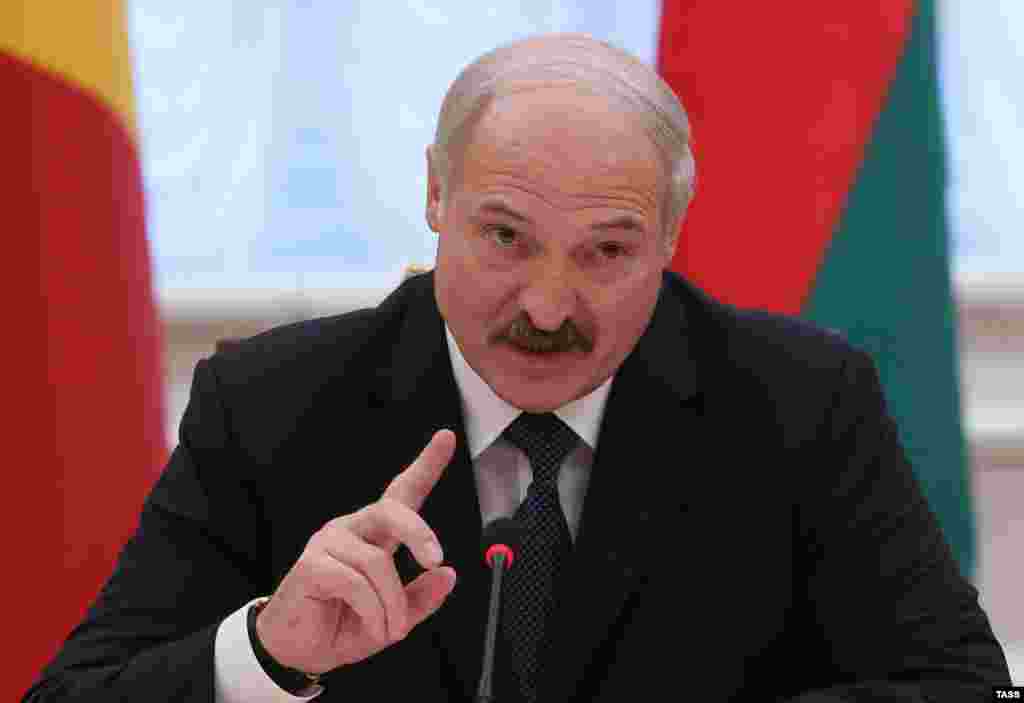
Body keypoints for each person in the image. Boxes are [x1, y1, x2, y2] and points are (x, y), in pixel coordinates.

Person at [24, 33, 1010, 703]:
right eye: (505, 236)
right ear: (434, 196)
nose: (546, 306)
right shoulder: (272, 406)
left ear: (670, 238)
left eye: (606, 251)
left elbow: (954, 682)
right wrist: (268, 651)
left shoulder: (798, 403)